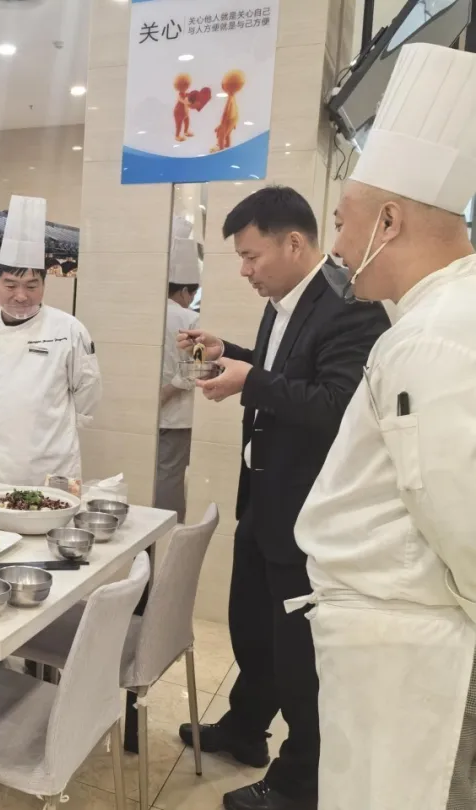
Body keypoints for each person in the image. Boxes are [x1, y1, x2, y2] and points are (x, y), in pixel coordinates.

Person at [295, 43, 476, 810]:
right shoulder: (439, 317)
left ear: (390, 220)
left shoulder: (435, 336)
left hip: (411, 654)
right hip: (392, 642)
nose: (337, 246)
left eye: (342, 222)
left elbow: (463, 523)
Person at [176, 186, 390, 810]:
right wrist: (232, 355)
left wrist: (252, 383)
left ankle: (299, 782)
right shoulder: (283, 301)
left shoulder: (351, 308)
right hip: (263, 499)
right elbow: (285, 371)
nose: (244, 271)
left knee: (300, 656)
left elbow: (338, 405)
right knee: (253, 628)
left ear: (294, 243)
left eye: (251, 256)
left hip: (306, 510)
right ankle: (246, 728)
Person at [0, 195, 101, 485]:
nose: (21, 296)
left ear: (44, 285)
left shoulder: (70, 330)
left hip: (51, 470)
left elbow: (87, 396)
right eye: (10, 285)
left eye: (31, 286)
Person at [156, 219, 201, 521]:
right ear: (184, 290)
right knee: (169, 478)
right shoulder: (191, 320)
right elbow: (198, 365)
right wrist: (170, 390)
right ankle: (167, 531)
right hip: (177, 415)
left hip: (148, 413)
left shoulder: (151, 314)